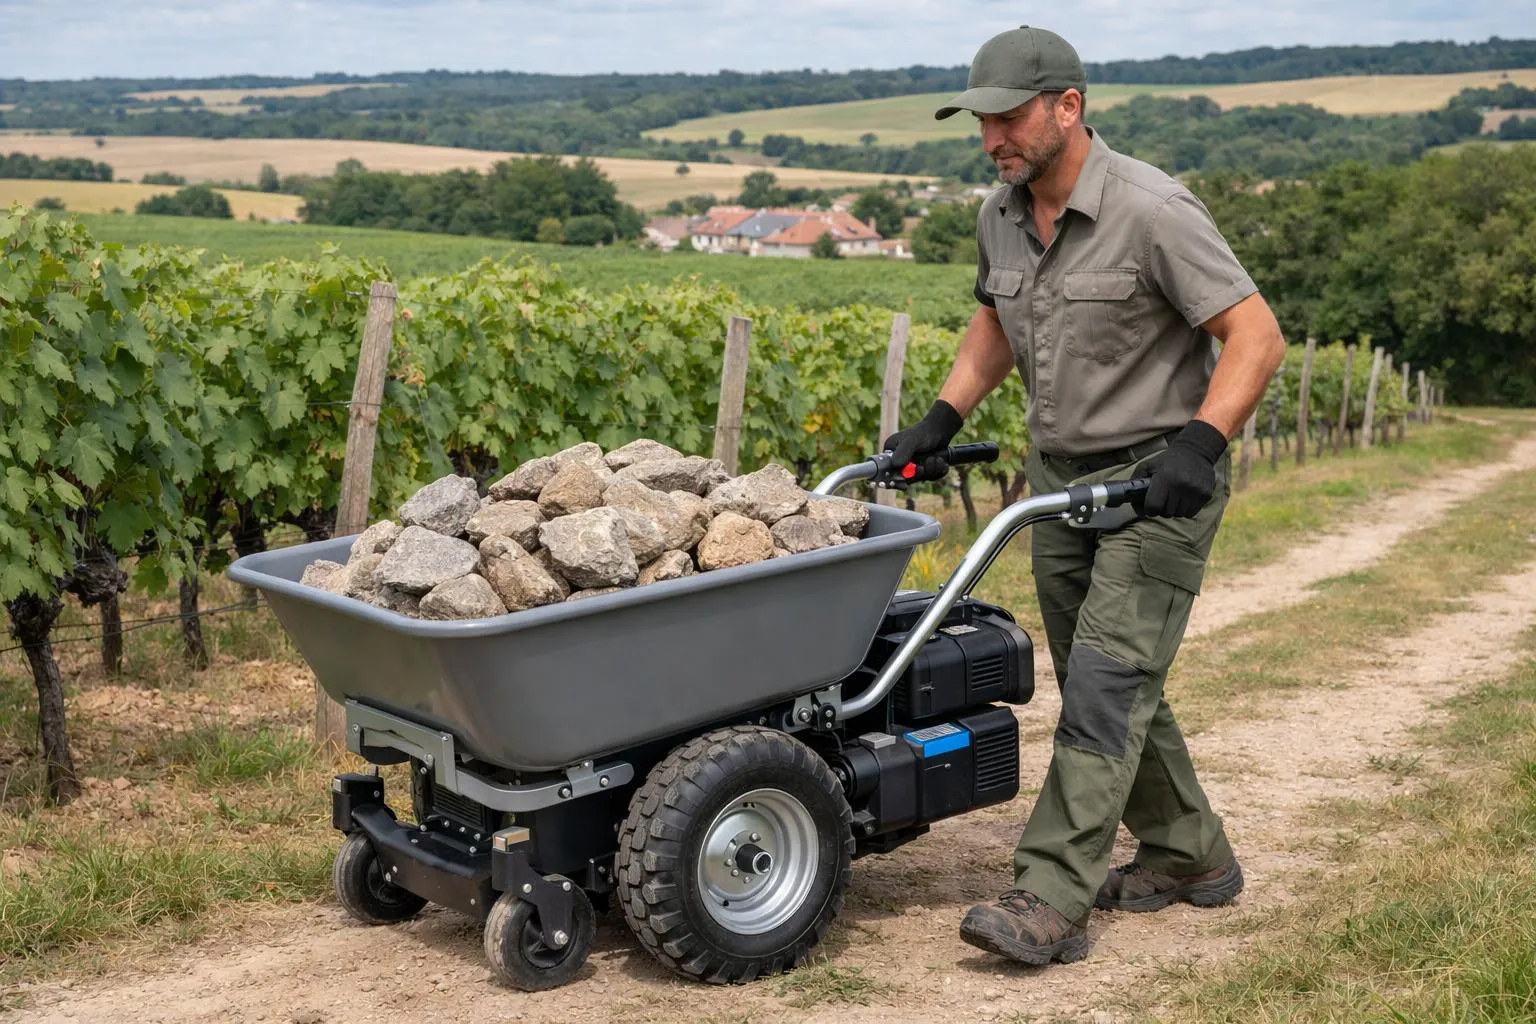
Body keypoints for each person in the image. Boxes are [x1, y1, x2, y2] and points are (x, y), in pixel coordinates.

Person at [882, 25, 1286, 967]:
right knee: (1106, 676)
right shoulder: (1001, 212)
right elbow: (995, 317)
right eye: (980, 121)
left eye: (1009, 116)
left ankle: (1050, 894)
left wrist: (1202, 441)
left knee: (1106, 686)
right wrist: (942, 415)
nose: (992, 138)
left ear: (1070, 106)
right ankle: (1191, 855)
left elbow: (1256, 335)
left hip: (1157, 481)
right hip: (1060, 482)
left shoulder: (1153, 210)